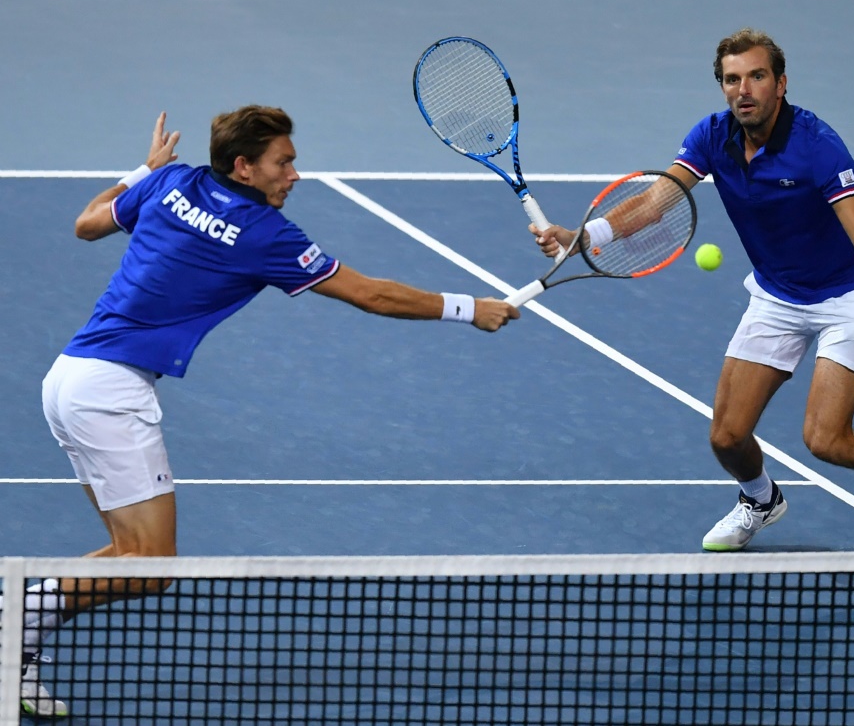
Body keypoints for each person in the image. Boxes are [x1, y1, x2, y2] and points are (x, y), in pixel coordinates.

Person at [10, 106, 519, 717]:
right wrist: (469, 308)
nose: (295, 175)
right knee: (149, 568)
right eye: (284, 162)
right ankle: (11, 619)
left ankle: (18, 633)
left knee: (128, 553)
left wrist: (142, 171)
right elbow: (371, 294)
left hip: (68, 380)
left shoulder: (172, 182)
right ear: (245, 168)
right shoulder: (265, 235)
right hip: (110, 394)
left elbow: (87, 224)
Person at [532, 28, 854, 554]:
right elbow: (656, 202)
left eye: (756, 76)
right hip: (777, 296)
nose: (743, 89)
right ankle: (761, 500)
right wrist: (583, 236)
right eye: (732, 79)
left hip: (844, 300)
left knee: (827, 440)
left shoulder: (819, 147)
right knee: (726, 437)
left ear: (781, 83)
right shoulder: (712, 136)